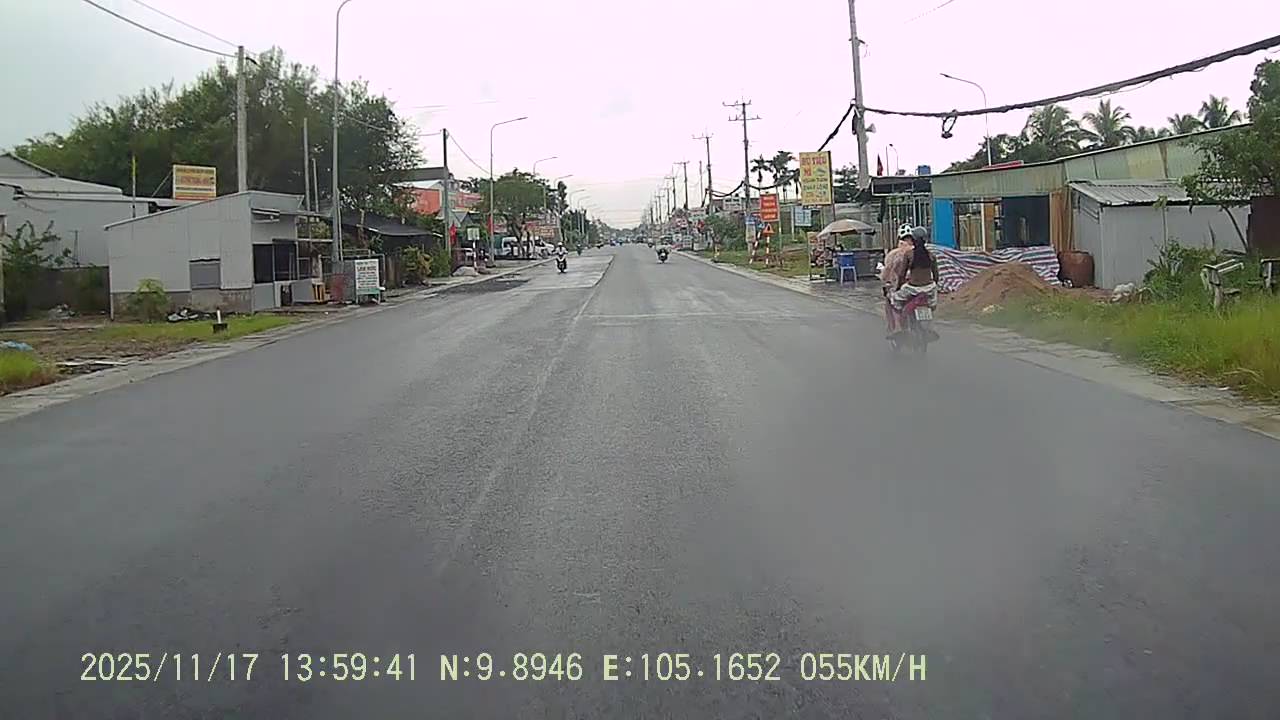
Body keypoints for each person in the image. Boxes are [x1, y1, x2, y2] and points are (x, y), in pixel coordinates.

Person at [889, 226, 939, 337]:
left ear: (913, 240)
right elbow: (936, 276)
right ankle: (930, 327)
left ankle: (898, 328)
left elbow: (901, 274)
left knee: (894, 300)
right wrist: (933, 285)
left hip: (912, 288)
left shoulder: (909, 255)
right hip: (929, 288)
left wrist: (898, 287)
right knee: (932, 305)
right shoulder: (931, 255)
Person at [881, 224, 916, 336]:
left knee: (890, 300)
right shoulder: (922, 252)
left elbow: (888, 273)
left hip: (902, 286)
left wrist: (886, 281)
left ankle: (894, 328)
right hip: (922, 285)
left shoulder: (894, 254)